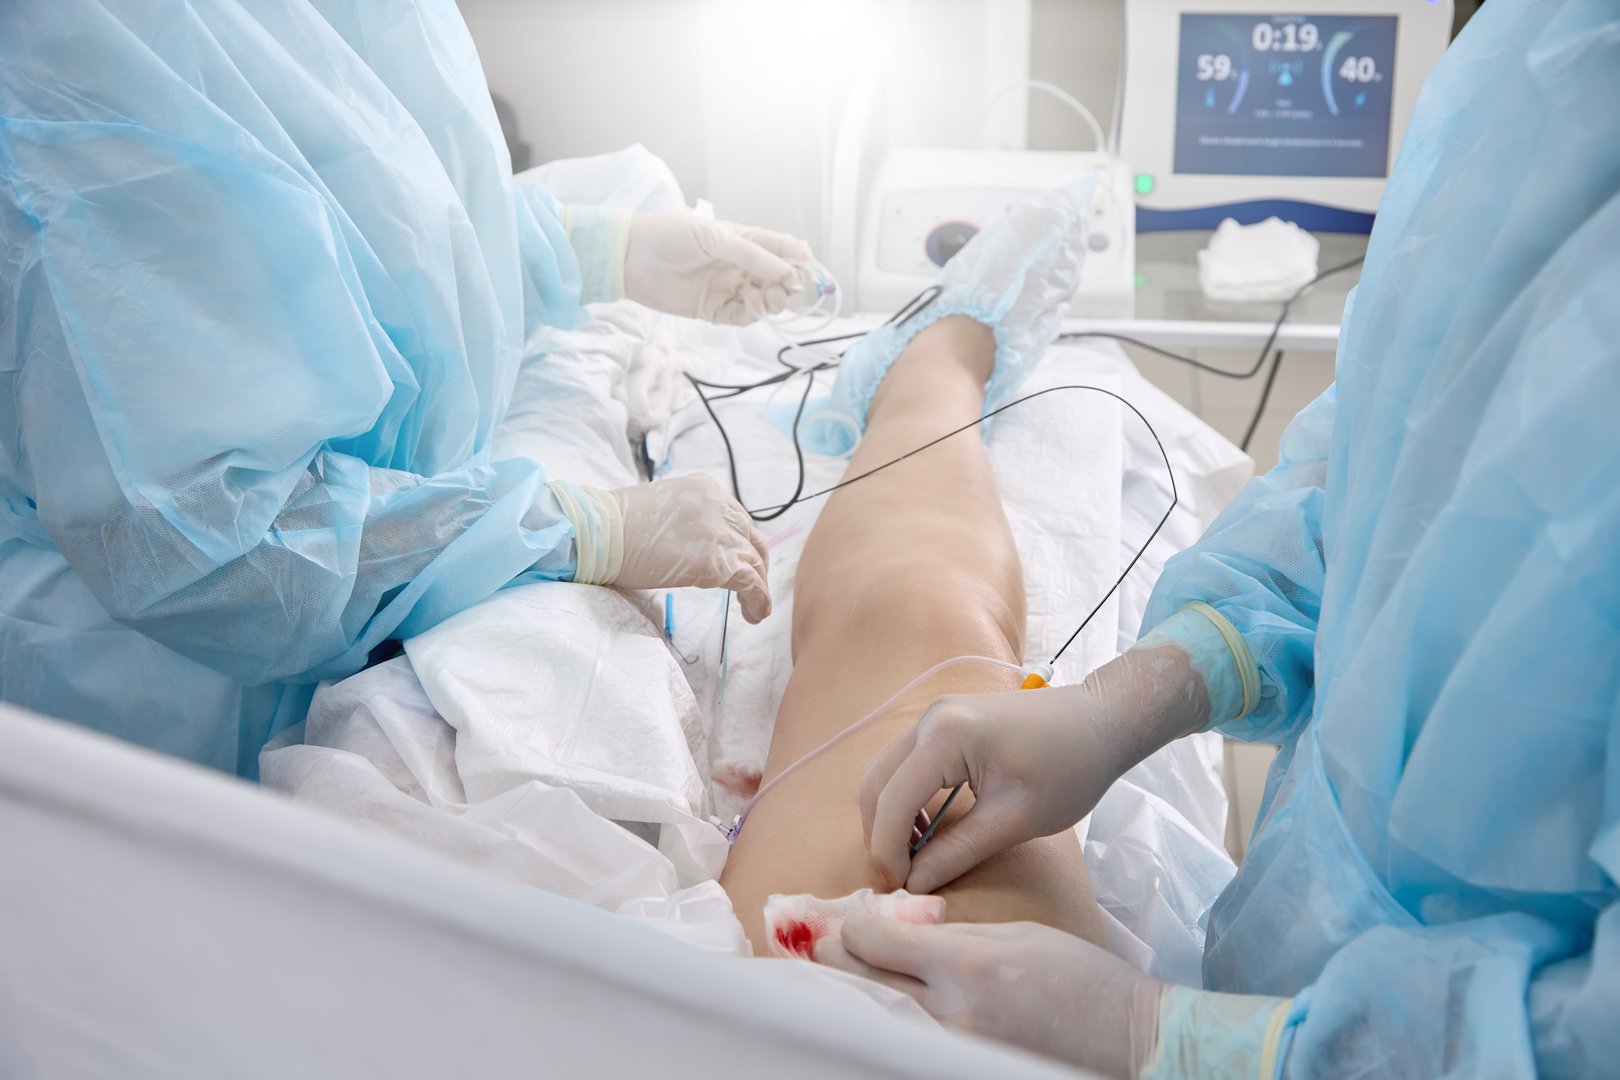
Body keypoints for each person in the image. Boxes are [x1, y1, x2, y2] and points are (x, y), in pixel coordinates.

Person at [826, 2, 1619, 1076]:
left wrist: (1179, 1039)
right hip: (1317, 957)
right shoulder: (1546, 61)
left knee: (919, 596)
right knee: (919, 605)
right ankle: (954, 339)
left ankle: (954, 338)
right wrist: (1128, 703)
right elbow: (1385, 479)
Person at [0, 0, 804, 776]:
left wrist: (595, 250)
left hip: (380, 552)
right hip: (188, 684)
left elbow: (381, 201)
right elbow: (204, 550)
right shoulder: (73, 59)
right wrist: (572, 530)